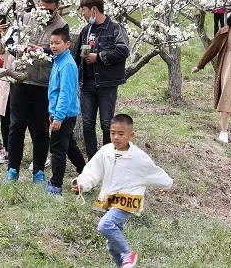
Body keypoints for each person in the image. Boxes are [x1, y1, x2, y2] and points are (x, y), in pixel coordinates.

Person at [72, 114, 173, 268]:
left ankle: (128, 254)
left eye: (121, 134)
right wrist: (82, 184)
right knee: (112, 245)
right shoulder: (106, 151)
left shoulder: (139, 157)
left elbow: (154, 172)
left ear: (131, 135)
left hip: (128, 199)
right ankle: (123, 263)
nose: (116, 137)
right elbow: (93, 171)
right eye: (113, 133)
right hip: (110, 200)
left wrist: (167, 184)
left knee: (105, 225)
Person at [0, 0, 68, 183]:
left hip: (42, 82)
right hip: (20, 80)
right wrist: (21, 49)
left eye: (50, 10)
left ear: (57, 7)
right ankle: (13, 169)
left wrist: (40, 50)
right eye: (42, 9)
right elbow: (8, 42)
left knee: (41, 129)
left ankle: (39, 171)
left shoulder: (62, 25)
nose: (45, 13)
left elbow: (61, 51)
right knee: (16, 126)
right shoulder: (25, 18)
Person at [75, 0, 130, 158]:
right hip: (87, 84)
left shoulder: (115, 27)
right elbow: (78, 54)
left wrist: (98, 57)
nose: (83, 14)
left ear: (93, 9)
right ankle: (93, 160)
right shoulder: (86, 30)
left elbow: (123, 50)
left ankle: (108, 158)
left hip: (107, 84)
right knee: (87, 124)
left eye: (84, 10)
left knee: (107, 124)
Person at [192, 4, 231, 144]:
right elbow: (212, 49)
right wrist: (200, 65)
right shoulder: (224, 32)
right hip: (228, 66)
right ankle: (223, 130)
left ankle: (226, 125)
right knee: (227, 93)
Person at [45, 28, 85, 195]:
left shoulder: (67, 64)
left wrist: (59, 117)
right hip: (60, 113)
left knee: (57, 149)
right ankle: (86, 171)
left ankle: (56, 186)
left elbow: (65, 93)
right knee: (69, 146)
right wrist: (52, 112)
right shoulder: (58, 60)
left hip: (65, 115)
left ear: (67, 44)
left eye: (57, 43)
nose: (53, 46)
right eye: (51, 43)